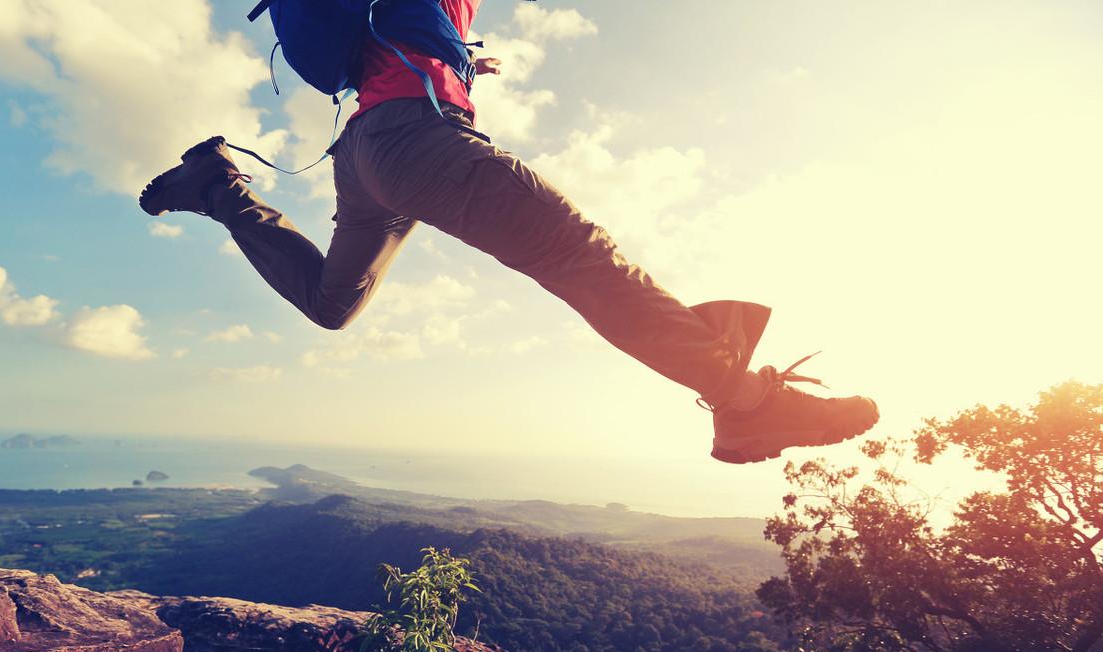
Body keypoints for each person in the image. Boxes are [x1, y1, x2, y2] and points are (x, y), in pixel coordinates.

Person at [138, 0, 878, 464]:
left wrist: (462, 65)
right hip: (410, 138)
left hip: (367, 149)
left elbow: (400, 39)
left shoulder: (428, 18)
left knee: (334, 303)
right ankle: (744, 401)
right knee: (580, 257)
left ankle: (217, 186)